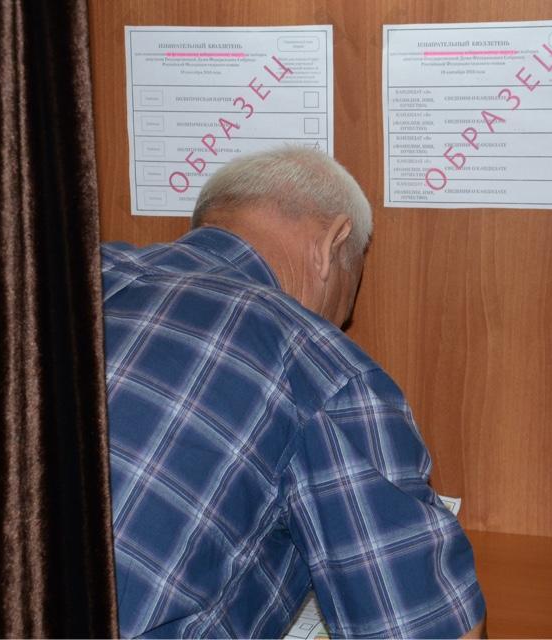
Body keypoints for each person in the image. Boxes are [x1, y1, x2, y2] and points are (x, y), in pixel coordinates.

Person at [102, 147, 486, 638]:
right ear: (332, 243)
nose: (340, 322)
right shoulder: (317, 364)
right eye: (350, 294)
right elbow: (430, 631)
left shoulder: (71, 274)